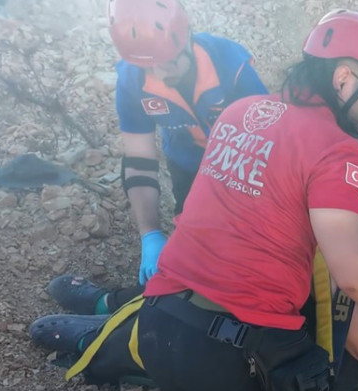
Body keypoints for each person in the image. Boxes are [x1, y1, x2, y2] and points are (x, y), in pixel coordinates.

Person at [118, 10, 358, 391]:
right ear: (343, 79)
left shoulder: (240, 111)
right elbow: (355, 275)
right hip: (237, 350)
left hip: (160, 326)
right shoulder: (335, 147)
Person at [107, 0, 267, 287]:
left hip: (246, 164)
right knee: (194, 253)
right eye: (148, 66)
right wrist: (151, 234)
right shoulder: (130, 82)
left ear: (187, 36)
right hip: (187, 165)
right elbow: (139, 163)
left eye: (168, 61)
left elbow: (270, 137)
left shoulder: (229, 63)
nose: (161, 75)